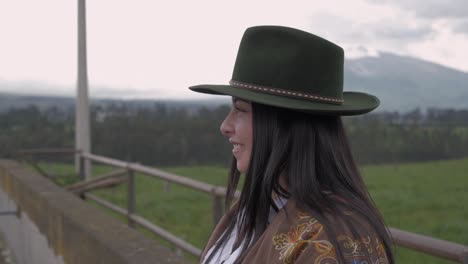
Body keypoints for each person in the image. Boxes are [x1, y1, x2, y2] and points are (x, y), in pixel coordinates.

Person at [189, 25, 394, 264]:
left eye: (241, 110)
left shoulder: (337, 239)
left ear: (287, 126)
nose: (225, 126)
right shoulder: (250, 211)